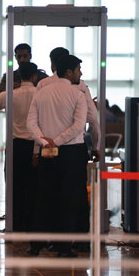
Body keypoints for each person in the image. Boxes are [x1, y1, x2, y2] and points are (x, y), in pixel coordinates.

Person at [26, 54, 88, 257]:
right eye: (78, 69)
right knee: (69, 199)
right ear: (69, 72)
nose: (80, 73)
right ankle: (64, 247)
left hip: (47, 151)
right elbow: (79, 125)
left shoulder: (42, 92)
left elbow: (31, 124)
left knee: (44, 197)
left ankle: (35, 245)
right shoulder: (77, 93)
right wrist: (59, 141)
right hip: (72, 152)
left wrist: (45, 142)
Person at [0, 62, 39, 232]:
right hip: (35, 146)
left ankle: (14, 224)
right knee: (32, 186)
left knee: (14, 186)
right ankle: (31, 225)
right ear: (34, 76)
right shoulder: (40, 94)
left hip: (16, 146)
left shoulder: (11, 95)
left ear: (19, 76)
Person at [37, 47, 101, 161]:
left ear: (52, 63)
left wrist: (36, 151)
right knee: (74, 178)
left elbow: (36, 121)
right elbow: (93, 118)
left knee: (49, 177)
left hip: (48, 145)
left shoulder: (43, 85)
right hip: (74, 146)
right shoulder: (80, 86)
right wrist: (96, 146)